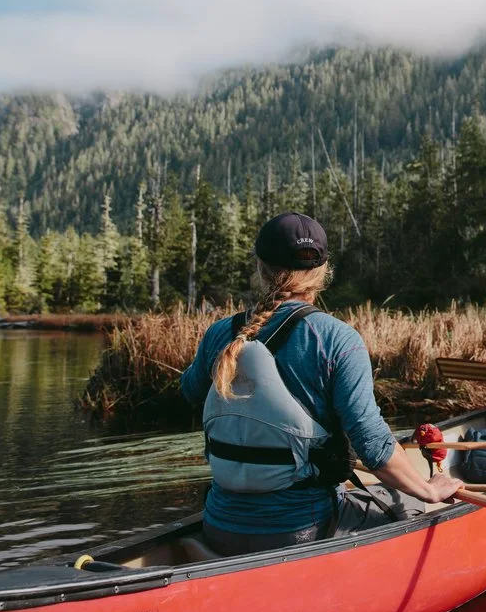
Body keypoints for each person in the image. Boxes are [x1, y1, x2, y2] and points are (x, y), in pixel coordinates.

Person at [181, 212, 462, 556]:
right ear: (323, 271)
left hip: (220, 526)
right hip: (302, 532)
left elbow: (190, 391)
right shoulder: (337, 339)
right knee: (408, 500)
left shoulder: (218, 334)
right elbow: (374, 448)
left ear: (260, 267)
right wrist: (429, 490)